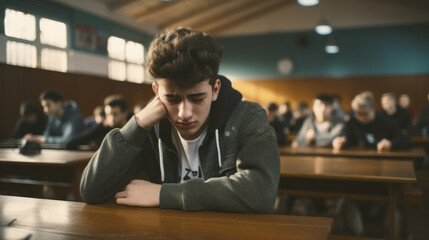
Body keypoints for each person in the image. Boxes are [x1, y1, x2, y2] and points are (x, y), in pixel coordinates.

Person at [80, 28, 280, 213]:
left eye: (197, 98)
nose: (185, 113)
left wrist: (163, 194)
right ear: (157, 92)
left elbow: (261, 193)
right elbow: (91, 191)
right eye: (173, 98)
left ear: (215, 89)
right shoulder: (149, 127)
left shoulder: (248, 117)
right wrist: (137, 125)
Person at [333, 91, 411, 151]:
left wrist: (391, 144)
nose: (361, 118)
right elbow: (345, 135)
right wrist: (339, 141)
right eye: (358, 114)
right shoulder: (352, 122)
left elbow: (406, 141)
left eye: (365, 114)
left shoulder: (386, 122)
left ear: (373, 110)